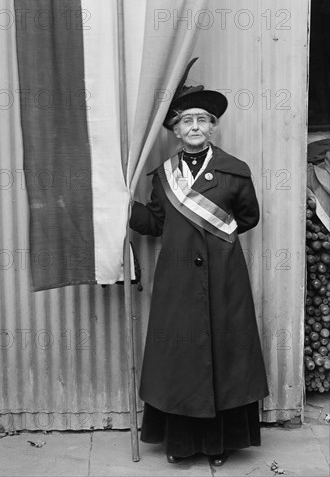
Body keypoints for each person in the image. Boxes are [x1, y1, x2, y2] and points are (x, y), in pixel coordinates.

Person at [130, 58, 269, 467]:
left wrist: (215, 247)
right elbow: (155, 222)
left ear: (213, 127)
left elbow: (248, 218)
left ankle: (218, 444)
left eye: (202, 120)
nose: (194, 127)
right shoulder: (162, 176)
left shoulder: (234, 172)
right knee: (182, 358)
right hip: (176, 281)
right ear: (175, 130)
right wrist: (122, 209)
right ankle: (182, 443)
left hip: (225, 280)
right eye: (186, 120)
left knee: (224, 356)